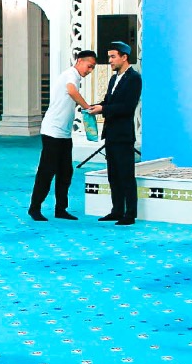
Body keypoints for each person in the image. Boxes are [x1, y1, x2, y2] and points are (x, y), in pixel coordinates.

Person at [30, 49, 98, 222]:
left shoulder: (75, 77)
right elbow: (71, 91)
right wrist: (87, 107)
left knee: (65, 172)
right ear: (80, 61)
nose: (90, 71)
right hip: (52, 132)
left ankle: (61, 208)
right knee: (47, 171)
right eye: (89, 66)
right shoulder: (71, 75)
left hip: (64, 134)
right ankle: (34, 208)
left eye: (92, 68)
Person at [91, 40, 142, 226]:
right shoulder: (114, 79)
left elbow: (127, 107)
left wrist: (103, 109)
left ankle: (130, 214)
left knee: (126, 175)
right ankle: (117, 210)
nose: (110, 61)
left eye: (113, 57)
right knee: (113, 175)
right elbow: (108, 102)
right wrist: (95, 107)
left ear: (124, 57)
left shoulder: (134, 78)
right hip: (111, 134)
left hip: (123, 135)